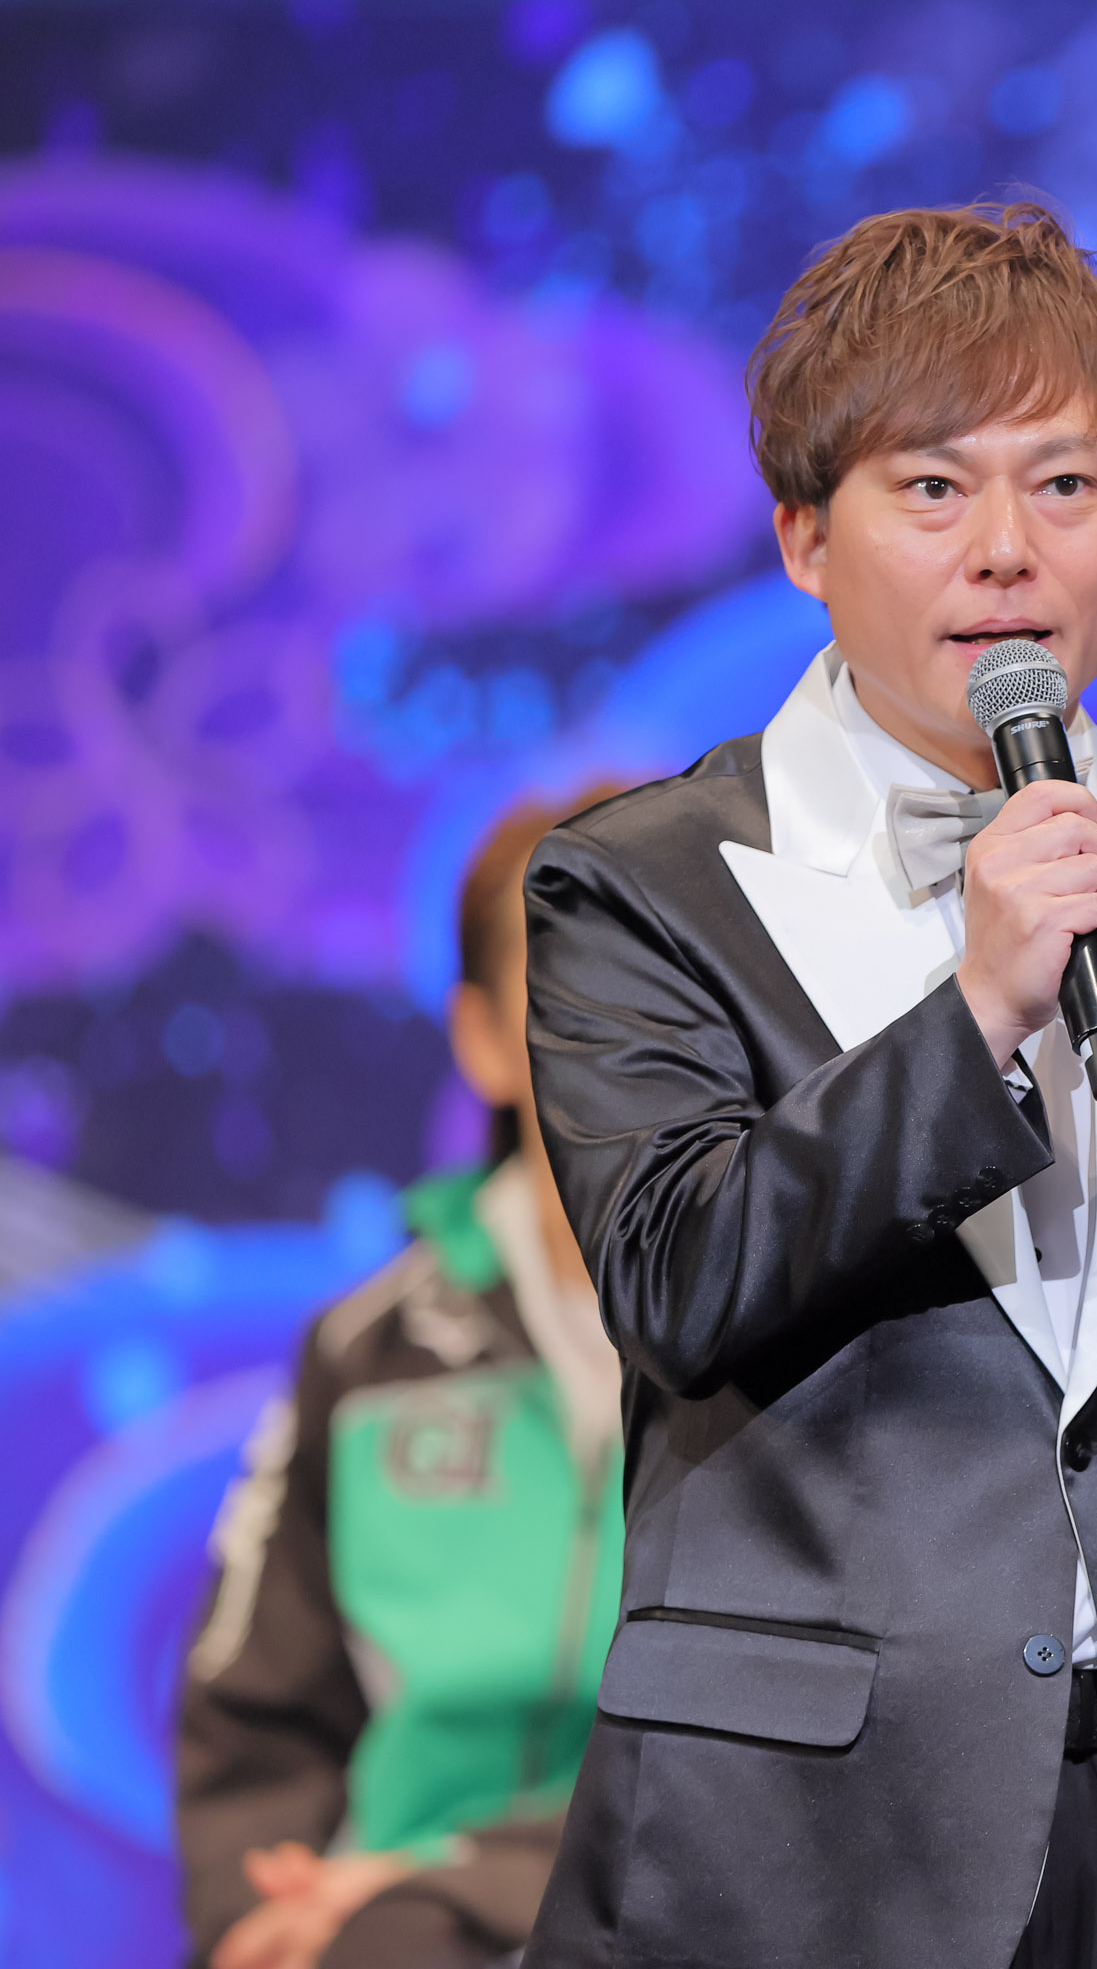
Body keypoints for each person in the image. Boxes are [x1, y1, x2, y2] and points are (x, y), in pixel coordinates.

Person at [516, 203, 1097, 1969]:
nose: (1008, 552)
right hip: (777, 1849)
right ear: (807, 537)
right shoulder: (645, 884)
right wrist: (975, 1013)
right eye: (935, 489)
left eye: (1069, 486)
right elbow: (679, 1280)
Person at [178, 784, 629, 1969]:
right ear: (480, 1037)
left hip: (674, 1914)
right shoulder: (363, 1353)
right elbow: (252, 1718)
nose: (627, 1032)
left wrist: (462, 1877)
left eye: (669, 977)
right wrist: (263, 1916)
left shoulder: (808, 1341)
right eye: (572, 985)